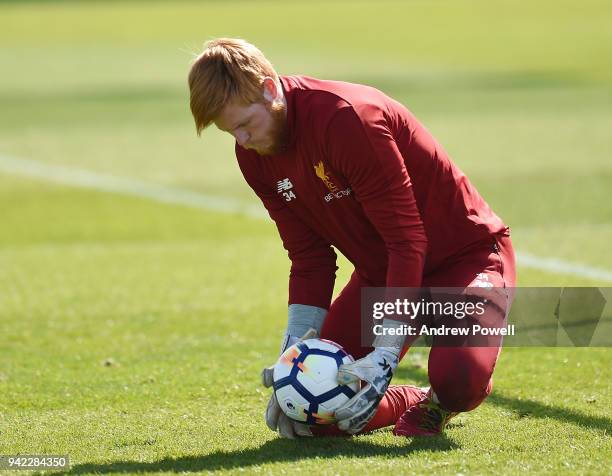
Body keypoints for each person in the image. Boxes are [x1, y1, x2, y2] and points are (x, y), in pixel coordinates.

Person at [187, 38, 516, 438]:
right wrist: (292, 357)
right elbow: (309, 258)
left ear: (270, 90)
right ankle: (407, 398)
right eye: (229, 132)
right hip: (384, 275)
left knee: (459, 376)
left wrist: (386, 353)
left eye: (244, 125)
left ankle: (441, 398)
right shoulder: (253, 156)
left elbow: (406, 238)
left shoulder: (348, 119)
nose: (241, 141)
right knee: (312, 418)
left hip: (465, 258)